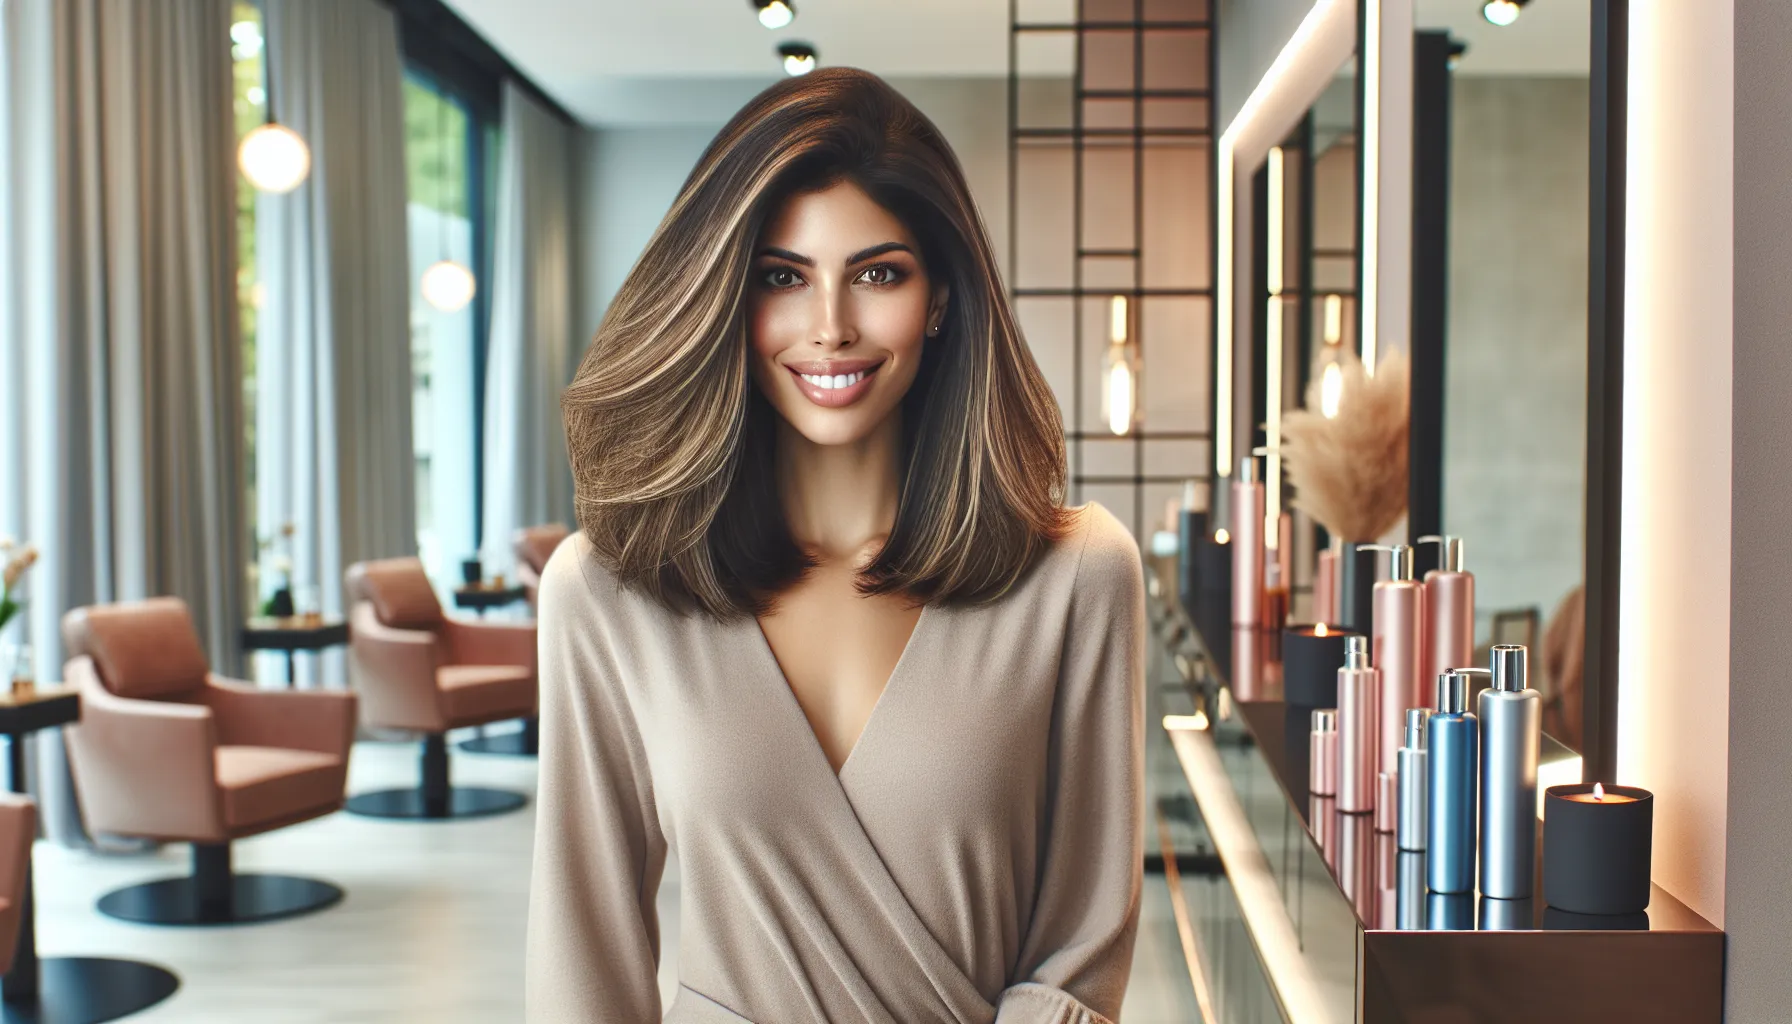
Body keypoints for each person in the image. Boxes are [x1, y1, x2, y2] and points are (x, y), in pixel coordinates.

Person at [526, 66, 1147, 1024]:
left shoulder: (1077, 576)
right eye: (783, 277)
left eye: (878, 273)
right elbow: (583, 956)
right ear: (727, 299)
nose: (830, 328)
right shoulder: (611, 591)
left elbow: (1084, 950)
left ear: (940, 298)